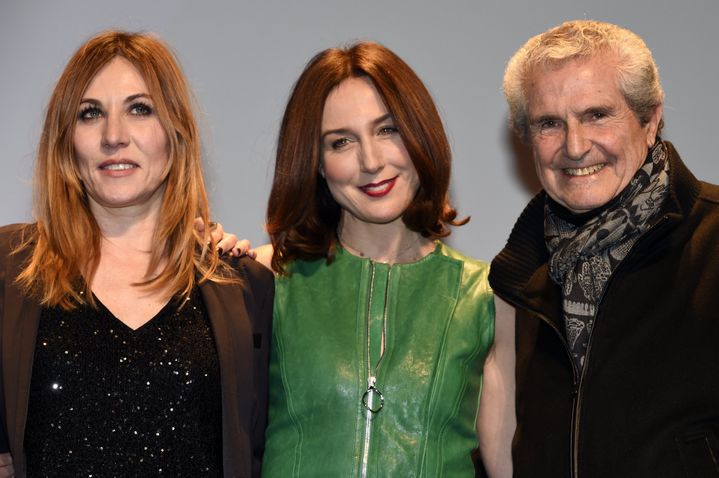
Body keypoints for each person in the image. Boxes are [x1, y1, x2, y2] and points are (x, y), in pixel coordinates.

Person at [0, 31, 273, 477]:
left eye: (139, 109)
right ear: (66, 140)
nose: (114, 136)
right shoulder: (10, 269)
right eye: (91, 114)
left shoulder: (244, 288)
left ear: (176, 131)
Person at [254, 41, 515, 477]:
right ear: (316, 163)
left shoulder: (487, 297)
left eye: (388, 130)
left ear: (419, 135)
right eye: (341, 142)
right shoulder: (267, 278)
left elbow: (505, 463)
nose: (371, 162)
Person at [490, 19, 719, 477]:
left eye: (596, 115)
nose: (575, 146)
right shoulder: (519, 274)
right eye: (549, 123)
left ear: (650, 119)